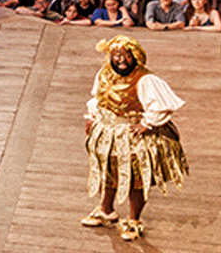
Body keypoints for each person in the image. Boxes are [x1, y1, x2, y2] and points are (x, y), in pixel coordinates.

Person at [80, 36, 188, 241]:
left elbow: (160, 106)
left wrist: (146, 124)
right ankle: (106, 210)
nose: (120, 60)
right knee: (108, 171)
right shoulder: (105, 74)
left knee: (135, 178)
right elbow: (98, 97)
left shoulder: (145, 79)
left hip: (133, 135)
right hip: (108, 132)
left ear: (135, 56)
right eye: (116, 55)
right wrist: (91, 116)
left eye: (125, 56)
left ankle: (133, 220)